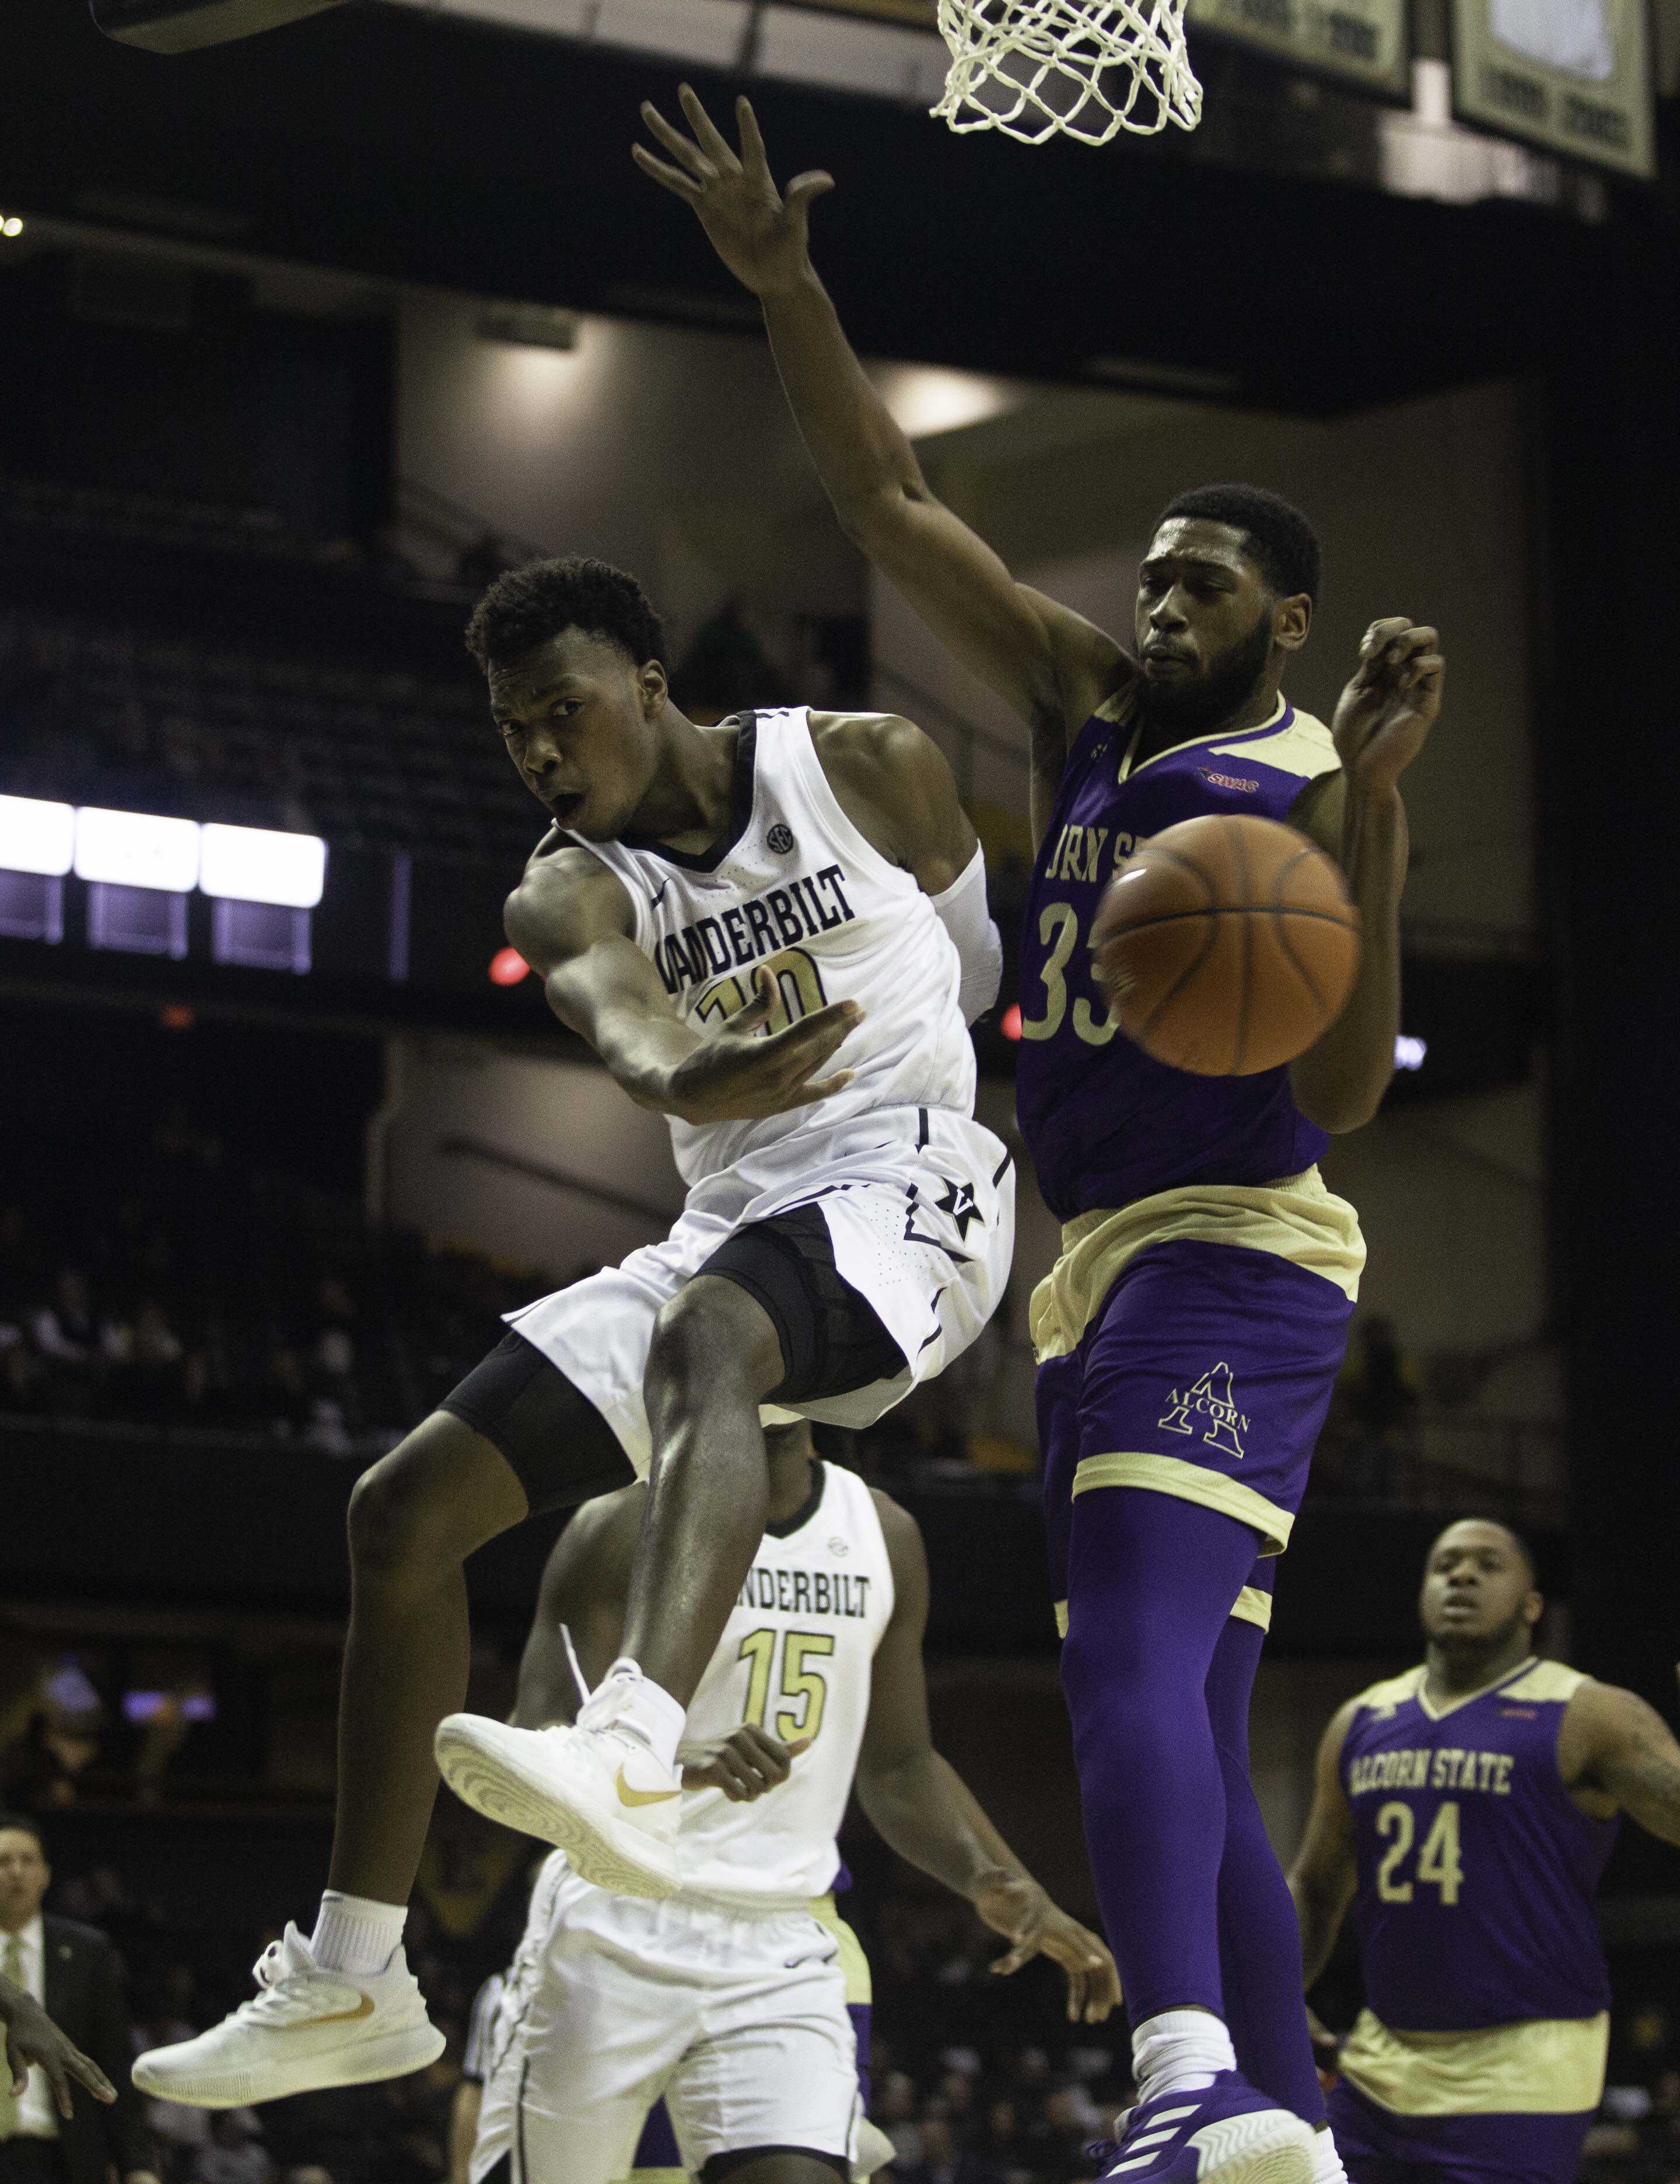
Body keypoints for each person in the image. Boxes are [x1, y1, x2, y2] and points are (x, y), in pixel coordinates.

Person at [631, 88, 1443, 2184]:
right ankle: (1294, 2120)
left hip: (1237, 1242)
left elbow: (1345, 1098)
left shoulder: (1307, 790)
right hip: (1098, 1258)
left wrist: (1386, 810)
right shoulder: (1089, 704)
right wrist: (787, 285)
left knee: (1117, 1659)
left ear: (1277, 620)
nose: (1156, 600)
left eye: (1200, 584)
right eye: (1152, 575)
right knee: (1172, 1712)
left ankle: (1179, 2083)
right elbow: (898, 505)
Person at [136, 556, 1014, 2106]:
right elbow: (630, 1030)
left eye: (563, 712)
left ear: (650, 688)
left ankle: (629, 1741)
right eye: (512, 729)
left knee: (712, 1344)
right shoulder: (566, 884)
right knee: (401, 1513)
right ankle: (355, 1979)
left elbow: (980, 959)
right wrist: (697, 1073)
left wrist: (895, 1061)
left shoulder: (866, 764)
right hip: (731, 1216)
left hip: (921, 1181)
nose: (540, 752)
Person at [467, 1419, 1116, 2184]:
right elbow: (533, 1750)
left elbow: (900, 1764)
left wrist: (992, 1875)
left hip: (782, 1938)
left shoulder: (882, 1534)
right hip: (615, 1924)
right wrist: (663, 1755)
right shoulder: (619, 1524)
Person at [1289, 1517, 1680, 2184]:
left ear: (1533, 1606)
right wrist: (1278, 1992)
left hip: (1528, 2060)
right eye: (1445, 1565)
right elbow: (1318, 1887)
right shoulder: (1362, 1721)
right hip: (1383, 2059)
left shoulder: (1591, 1714)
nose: (1461, 1575)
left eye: (1487, 1565)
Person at [0, 1815, 158, 2184]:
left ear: (47, 1874)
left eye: (28, 1861)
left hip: (61, 2153)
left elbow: (113, 2058)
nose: (16, 1873)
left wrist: (138, 2166)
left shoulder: (87, 1950)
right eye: (3, 1862)